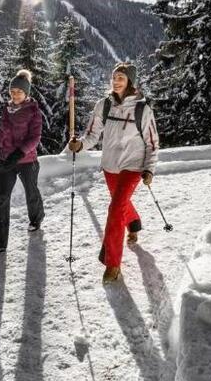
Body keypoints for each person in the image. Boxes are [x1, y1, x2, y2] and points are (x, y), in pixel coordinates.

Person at [68, 62, 159, 283]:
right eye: (114, 77)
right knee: (121, 204)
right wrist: (80, 145)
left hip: (133, 164)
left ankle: (112, 263)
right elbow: (92, 135)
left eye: (121, 78)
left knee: (116, 208)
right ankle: (134, 223)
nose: (116, 81)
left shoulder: (142, 109)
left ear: (130, 81)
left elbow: (152, 142)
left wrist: (149, 169)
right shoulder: (104, 105)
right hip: (110, 164)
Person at [0, 69, 45, 253]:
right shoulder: (7, 109)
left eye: (19, 91)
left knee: (31, 191)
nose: (15, 94)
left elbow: (35, 137)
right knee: (2, 199)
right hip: (6, 160)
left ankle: (36, 218)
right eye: (12, 91)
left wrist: (19, 154)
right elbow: (3, 131)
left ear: (26, 93)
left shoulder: (34, 111)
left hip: (26, 160)